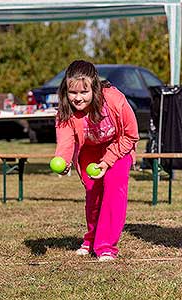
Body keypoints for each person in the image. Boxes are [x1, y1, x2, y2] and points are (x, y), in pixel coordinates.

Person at [54, 60, 139, 262]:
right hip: (90, 151)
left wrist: (108, 160)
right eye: (73, 92)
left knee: (114, 188)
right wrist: (64, 162)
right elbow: (66, 141)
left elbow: (131, 134)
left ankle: (106, 246)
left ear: (95, 87)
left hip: (118, 146)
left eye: (84, 92)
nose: (78, 98)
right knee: (93, 194)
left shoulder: (114, 100)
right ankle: (91, 238)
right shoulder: (65, 111)